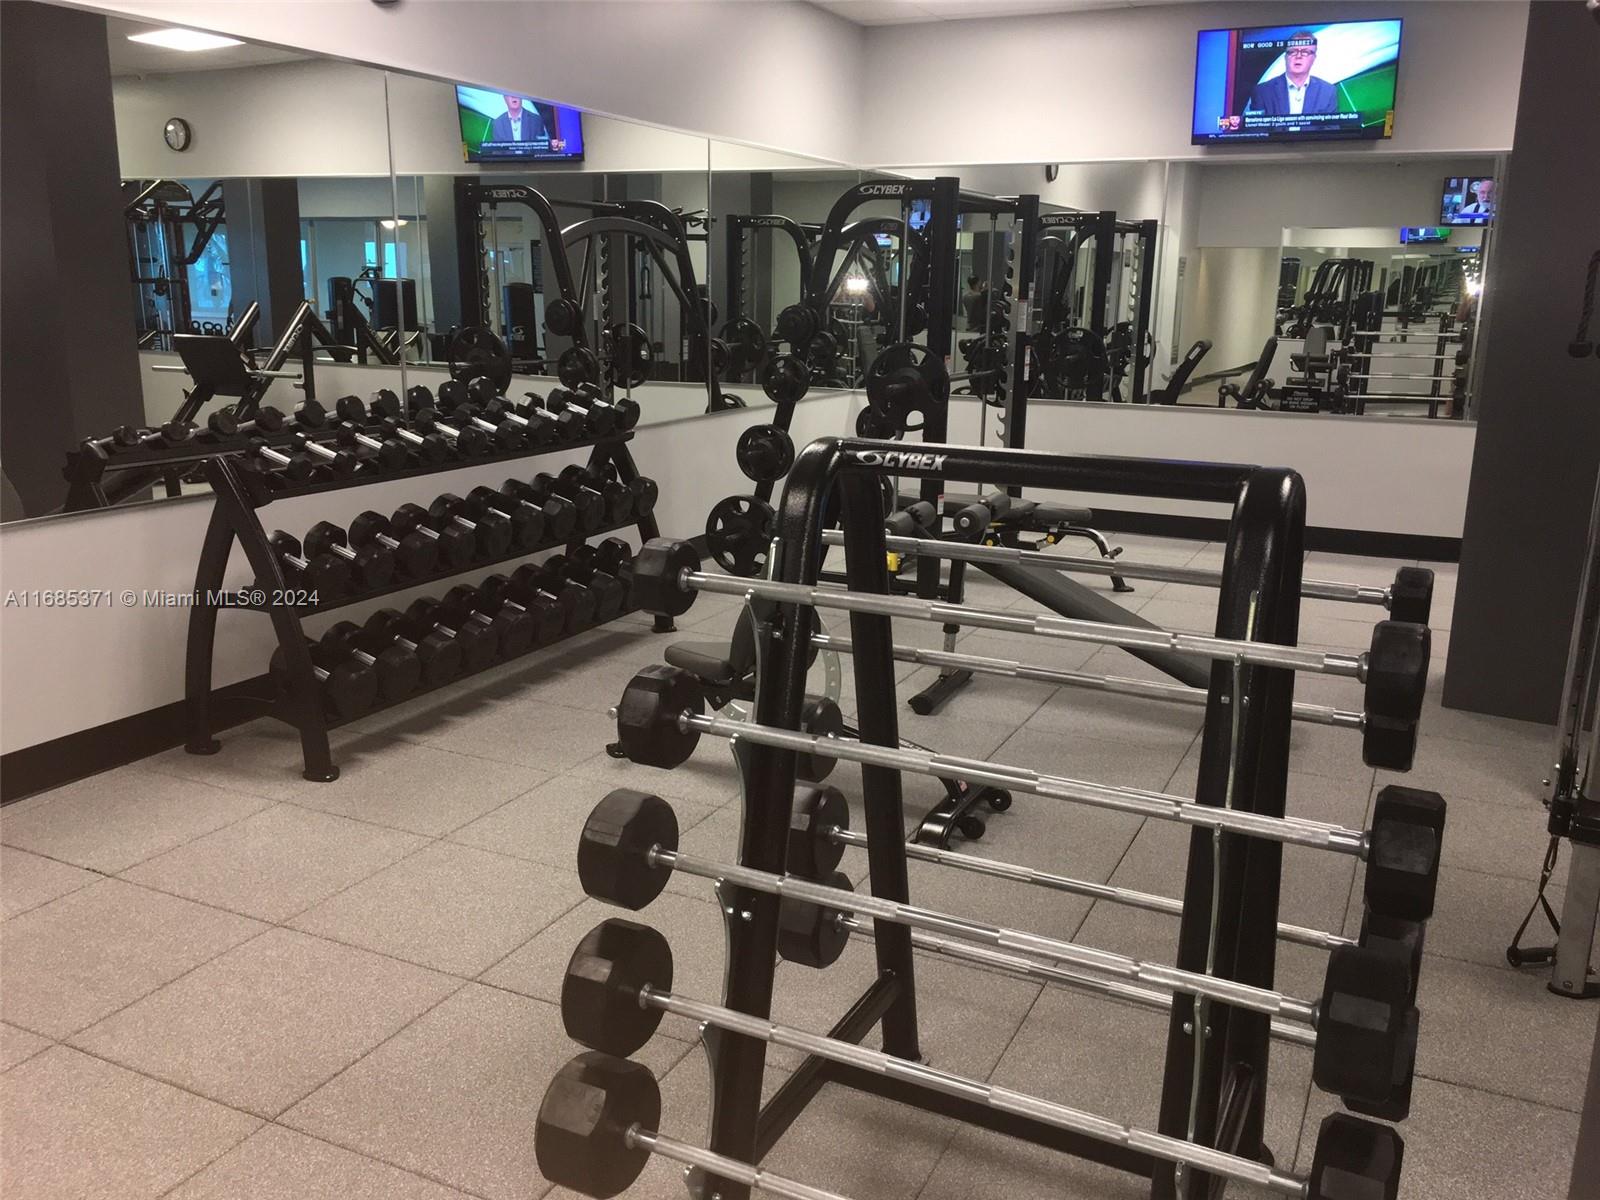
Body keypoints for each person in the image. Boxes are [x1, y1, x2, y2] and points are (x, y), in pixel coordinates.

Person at [1248, 31, 1339, 117]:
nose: (1298, 56)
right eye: (1293, 51)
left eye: (1305, 52)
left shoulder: (1327, 91)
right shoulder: (1262, 92)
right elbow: (1256, 126)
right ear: (1285, 57)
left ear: (1313, 58)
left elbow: (1330, 126)